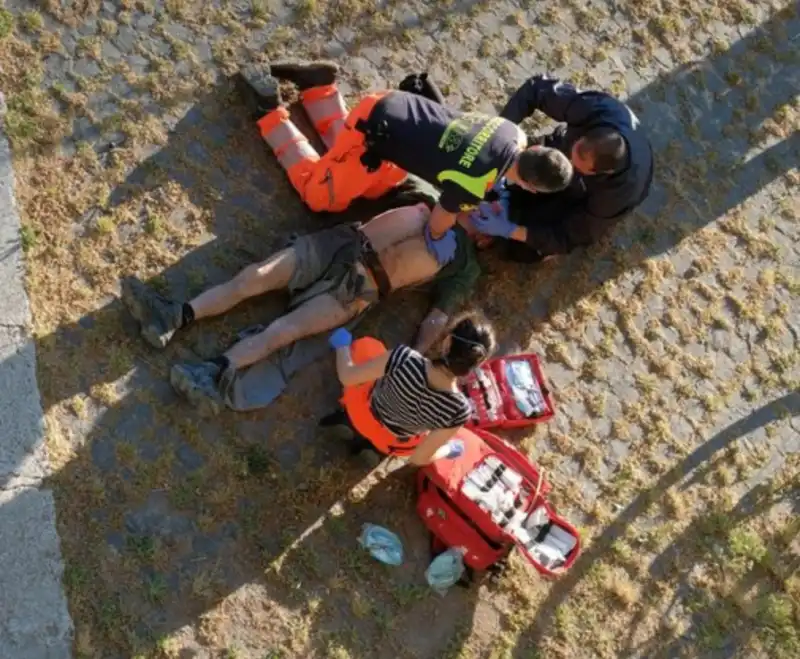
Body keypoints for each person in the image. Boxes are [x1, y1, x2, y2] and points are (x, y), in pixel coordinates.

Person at [120, 203, 485, 416]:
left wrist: (416, 360)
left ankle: (211, 373)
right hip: (340, 246)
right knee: (253, 278)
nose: (488, 207)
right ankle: (173, 316)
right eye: (488, 200)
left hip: (359, 290)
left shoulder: (466, 265)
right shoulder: (435, 195)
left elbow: (438, 316)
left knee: (283, 332)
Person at [234, 61, 573, 266]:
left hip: (399, 108)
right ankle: (271, 110)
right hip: (375, 131)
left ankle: (319, 87)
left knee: (376, 186)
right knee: (320, 196)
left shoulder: (512, 131)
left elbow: (485, 154)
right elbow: (441, 219)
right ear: (529, 185)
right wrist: (438, 239)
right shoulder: (474, 185)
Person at [400, 72, 654, 262]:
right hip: (563, 151)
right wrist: (496, 142)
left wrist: (512, 231)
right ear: (585, 134)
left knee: (526, 250)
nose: (569, 165)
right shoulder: (596, 110)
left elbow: (570, 236)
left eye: (577, 166)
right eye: (572, 153)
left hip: (581, 199)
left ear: (598, 173)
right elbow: (536, 89)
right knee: (501, 168)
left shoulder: (615, 195)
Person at [321, 312, 496, 466]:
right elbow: (419, 458)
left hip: (362, 413)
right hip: (394, 442)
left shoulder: (403, 357)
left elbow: (347, 376)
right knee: (412, 438)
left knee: (368, 346)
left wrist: (342, 347)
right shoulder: (459, 411)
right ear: (476, 364)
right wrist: (448, 449)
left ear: (447, 342)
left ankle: (349, 423)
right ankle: (374, 449)